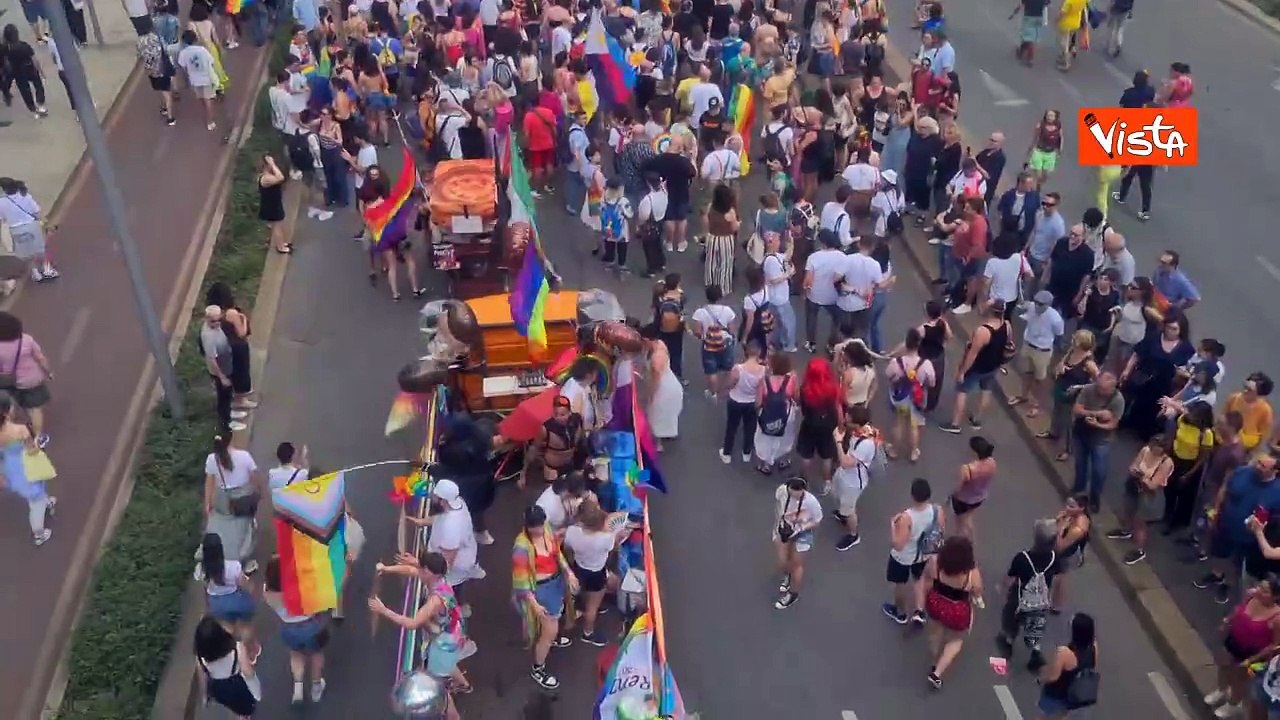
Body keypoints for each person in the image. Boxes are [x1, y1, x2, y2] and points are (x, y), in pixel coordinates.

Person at [369, 551, 468, 717]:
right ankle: (463, 684)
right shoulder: (440, 579)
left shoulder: (435, 602)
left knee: (437, 686)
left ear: (429, 572)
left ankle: (454, 716)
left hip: (444, 644)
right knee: (446, 664)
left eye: (422, 568)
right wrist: (386, 569)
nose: (418, 569)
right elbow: (412, 570)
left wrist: (384, 610)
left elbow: (413, 623)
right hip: (453, 633)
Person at [512, 505, 578, 690]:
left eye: (541, 524)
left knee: (555, 619)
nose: (540, 529)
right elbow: (521, 581)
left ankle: (551, 639)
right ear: (528, 525)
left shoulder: (547, 529)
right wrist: (533, 603)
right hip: (541, 591)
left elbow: (558, 555)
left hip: (556, 583)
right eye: (535, 526)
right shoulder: (521, 548)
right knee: (549, 631)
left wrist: (569, 573)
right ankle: (538, 668)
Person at [263, 555, 330, 704]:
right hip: (311, 626)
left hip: (288, 629)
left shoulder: (267, 592)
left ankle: (298, 687)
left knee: (296, 653)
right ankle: (316, 687)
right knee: (316, 655)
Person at [997, 519, 1061, 671]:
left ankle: (1008, 642)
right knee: (1035, 624)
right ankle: (1035, 653)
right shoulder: (1054, 558)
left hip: (1020, 597)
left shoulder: (1022, 558)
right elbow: (1057, 580)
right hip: (1040, 600)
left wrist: (1003, 590)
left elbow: (1010, 578)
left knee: (1011, 620)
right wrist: (1052, 599)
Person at [940, 302, 1012, 435]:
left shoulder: (983, 331)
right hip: (993, 366)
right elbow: (1007, 343)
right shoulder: (1006, 325)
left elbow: (972, 355)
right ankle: (977, 420)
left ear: (990, 310)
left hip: (977, 367)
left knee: (962, 391)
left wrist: (962, 371)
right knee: (986, 390)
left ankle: (955, 424)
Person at [922, 536, 984, 690]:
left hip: (936, 602)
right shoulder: (971, 573)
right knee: (956, 640)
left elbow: (927, 581)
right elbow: (977, 590)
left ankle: (934, 660)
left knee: (935, 633)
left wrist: (925, 601)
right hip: (957, 610)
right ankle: (937, 673)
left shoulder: (935, 562)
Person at [885, 478, 944, 625]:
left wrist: (892, 526)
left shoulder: (906, 518)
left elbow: (898, 545)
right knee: (919, 579)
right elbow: (941, 530)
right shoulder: (937, 510)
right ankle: (919, 611)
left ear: (912, 495)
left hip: (903, 558)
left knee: (900, 584)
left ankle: (901, 613)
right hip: (923, 554)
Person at [1107, 435, 1174, 565]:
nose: (1153, 448)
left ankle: (1139, 550)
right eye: (1153, 444)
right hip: (1134, 485)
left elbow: (1153, 485)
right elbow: (1133, 466)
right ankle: (1126, 530)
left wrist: (1142, 477)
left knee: (1140, 523)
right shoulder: (1145, 450)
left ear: (1164, 448)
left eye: (1158, 446)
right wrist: (1135, 472)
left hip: (1148, 494)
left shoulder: (1166, 463)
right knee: (1128, 509)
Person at [0, 395, 55, 545]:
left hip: (9, 469)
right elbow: (32, 450)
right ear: (7, 412)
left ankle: (47, 502)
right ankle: (39, 533)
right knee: (36, 501)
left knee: (33, 492)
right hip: (26, 466)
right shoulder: (19, 430)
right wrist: (39, 443)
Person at [202, 435, 261, 572]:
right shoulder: (244, 456)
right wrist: (259, 494)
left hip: (222, 499)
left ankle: (221, 556)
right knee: (246, 527)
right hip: (242, 499)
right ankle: (244, 560)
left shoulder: (212, 459)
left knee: (222, 527)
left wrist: (207, 503)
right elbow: (254, 478)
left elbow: (209, 483)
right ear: (231, 438)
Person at [564, 502, 620, 646]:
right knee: (592, 607)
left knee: (583, 591)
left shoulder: (571, 532)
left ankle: (579, 609)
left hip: (579, 568)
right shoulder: (605, 537)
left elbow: (568, 549)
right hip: (597, 572)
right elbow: (613, 548)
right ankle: (588, 633)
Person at [1070, 371, 1125, 513]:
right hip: (1081, 433)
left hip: (1101, 439)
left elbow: (1112, 424)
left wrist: (1097, 425)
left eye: (1103, 390)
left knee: (1099, 471)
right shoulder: (1089, 389)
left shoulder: (1118, 400)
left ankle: (1094, 498)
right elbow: (1077, 409)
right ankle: (1078, 493)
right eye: (1099, 387)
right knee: (1080, 466)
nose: (1100, 391)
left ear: (1112, 388)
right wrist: (1096, 414)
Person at [0, 312, 53, 447]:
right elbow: (40, 358)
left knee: (8, 408)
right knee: (35, 409)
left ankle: (6, 435)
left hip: (7, 381)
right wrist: (48, 372)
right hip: (30, 380)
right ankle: (37, 438)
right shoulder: (26, 340)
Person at [193, 616, 261, 718]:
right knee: (246, 706)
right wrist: (256, 691)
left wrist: (205, 696)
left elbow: (202, 677)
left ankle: (241, 715)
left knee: (232, 705)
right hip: (237, 685)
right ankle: (246, 715)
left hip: (219, 689)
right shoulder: (237, 648)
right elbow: (248, 673)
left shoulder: (201, 658)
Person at [833, 405, 878, 551]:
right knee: (839, 495)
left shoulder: (865, 444)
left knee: (850, 509)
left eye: (848, 419)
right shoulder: (861, 431)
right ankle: (843, 513)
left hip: (853, 482)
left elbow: (846, 463)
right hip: (845, 476)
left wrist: (838, 441)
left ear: (856, 424)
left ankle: (853, 535)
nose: (845, 419)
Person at [1037, 613, 1100, 718]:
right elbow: (1093, 666)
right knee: (1062, 715)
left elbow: (1053, 677)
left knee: (1044, 716)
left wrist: (1041, 679)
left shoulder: (1064, 652)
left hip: (1056, 694)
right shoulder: (1094, 646)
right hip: (1074, 694)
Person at [773, 475, 822, 609]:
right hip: (785, 529)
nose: (795, 497)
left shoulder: (811, 502)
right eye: (792, 493)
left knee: (797, 565)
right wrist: (779, 526)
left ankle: (792, 594)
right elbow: (778, 507)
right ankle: (787, 576)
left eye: (798, 495)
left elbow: (817, 521)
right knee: (782, 560)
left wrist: (800, 528)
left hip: (803, 533)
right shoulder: (782, 491)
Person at [796, 357, 842, 495]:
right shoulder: (832, 388)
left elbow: (799, 402)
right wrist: (841, 424)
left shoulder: (805, 389)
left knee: (806, 455)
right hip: (828, 425)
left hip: (810, 424)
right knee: (827, 455)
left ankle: (803, 480)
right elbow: (838, 406)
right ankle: (826, 481)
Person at [692, 285, 737, 398]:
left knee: (711, 371)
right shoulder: (727, 311)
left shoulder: (700, 312)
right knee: (729, 368)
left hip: (709, 344)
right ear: (720, 297)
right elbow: (732, 330)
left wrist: (703, 336)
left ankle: (713, 392)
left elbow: (697, 331)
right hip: (725, 342)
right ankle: (725, 390)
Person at [951, 436, 996, 544]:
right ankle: (970, 539)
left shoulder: (967, 469)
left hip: (963, 499)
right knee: (968, 517)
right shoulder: (992, 463)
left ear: (975, 452)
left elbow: (959, 487)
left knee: (960, 520)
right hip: (979, 497)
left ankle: (961, 539)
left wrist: (952, 495)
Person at [645, 327, 685, 450]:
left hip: (663, 388)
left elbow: (656, 379)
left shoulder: (656, 358)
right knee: (666, 412)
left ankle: (657, 443)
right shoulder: (660, 344)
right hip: (672, 384)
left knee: (655, 412)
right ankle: (666, 434)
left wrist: (650, 394)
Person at [1052, 495, 1092, 611]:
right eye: (1067, 504)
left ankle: (1057, 604)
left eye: (1071, 506)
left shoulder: (1078, 528)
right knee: (1058, 578)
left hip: (1068, 554)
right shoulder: (1070, 516)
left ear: (1081, 508)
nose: (1067, 508)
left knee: (1060, 578)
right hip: (1064, 551)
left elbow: (1060, 546)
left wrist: (1060, 527)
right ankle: (1055, 602)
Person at [535, 396, 584, 483]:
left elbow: (581, 441)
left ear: (569, 413)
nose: (558, 418)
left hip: (570, 464)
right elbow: (535, 448)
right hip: (552, 468)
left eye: (562, 415)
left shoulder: (576, 421)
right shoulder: (546, 428)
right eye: (555, 414)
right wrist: (543, 465)